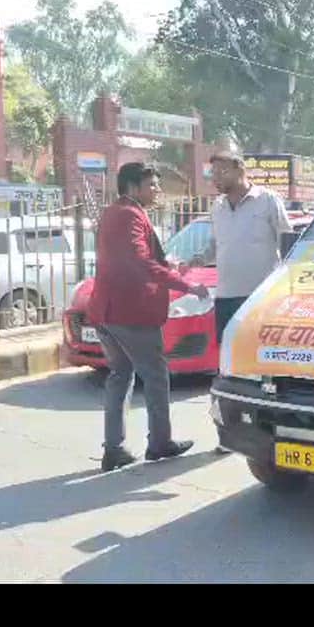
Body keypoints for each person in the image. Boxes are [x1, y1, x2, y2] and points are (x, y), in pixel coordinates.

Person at [88, 162, 210, 472]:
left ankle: (114, 448)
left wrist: (168, 267)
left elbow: (133, 260)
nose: (157, 190)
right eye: (152, 185)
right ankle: (160, 442)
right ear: (132, 187)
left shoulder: (113, 212)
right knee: (155, 376)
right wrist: (185, 284)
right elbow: (139, 264)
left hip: (107, 311)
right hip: (130, 313)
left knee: (120, 376)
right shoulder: (129, 215)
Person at [208, 150, 294, 453]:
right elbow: (217, 246)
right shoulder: (216, 207)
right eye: (212, 174)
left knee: (267, 367)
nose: (215, 179)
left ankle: (273, 429)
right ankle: (229, 432)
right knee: (229, 369)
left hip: (261, 300)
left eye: (220, 172)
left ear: (238, 168)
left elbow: (288, 243)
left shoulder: (268, 200)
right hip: (226, 297)